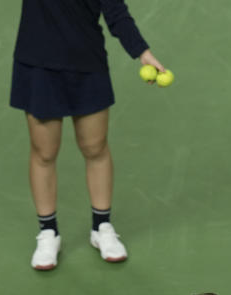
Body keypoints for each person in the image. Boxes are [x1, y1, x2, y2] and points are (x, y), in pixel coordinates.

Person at [11, 0, 167, 270]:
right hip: (38, 64)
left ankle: (101, 227)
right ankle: (48, 232)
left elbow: (115, 12)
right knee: (44, 152)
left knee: (95, 147)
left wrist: (141, 51)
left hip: (87, 63)